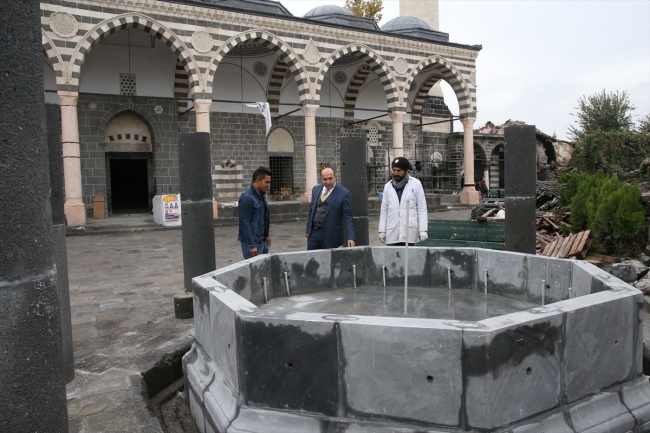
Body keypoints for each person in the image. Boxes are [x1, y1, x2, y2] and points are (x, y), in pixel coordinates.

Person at [379, 157, 428, 246]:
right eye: (394, 170)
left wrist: (423, 229)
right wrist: (382, 230)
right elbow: (384, 210)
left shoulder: (416, 184)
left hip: (409, 231)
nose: (396, 173)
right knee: (392, 255)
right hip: (392, 231)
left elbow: (421, 207)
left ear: (405, 170)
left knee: (408, 254)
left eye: (399, 171)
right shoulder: (387, 187)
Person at [305, 167, 356, 250]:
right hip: (314, 234)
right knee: (311, 257)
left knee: (330, 258)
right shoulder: (316, 189)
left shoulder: (344, 193)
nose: (328, 182)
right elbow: (311, 210)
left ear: (335, 177)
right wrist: (308, 229)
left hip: (332, 236)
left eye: (330, 178)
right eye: (325, 179)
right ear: (321, 179)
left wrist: (351, 237)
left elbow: (348, 217)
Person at [238, 166, 272, 259]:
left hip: (262, 241)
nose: (269, 185)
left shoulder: (261, 196)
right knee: (254, 268)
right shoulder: (247, 198)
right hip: (253, 244)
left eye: (269, 182)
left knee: (264, 267)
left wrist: (266, 235)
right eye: (266, 182)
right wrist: (251, 244)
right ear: (258, 181)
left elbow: (263, 218)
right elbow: (244, 222)